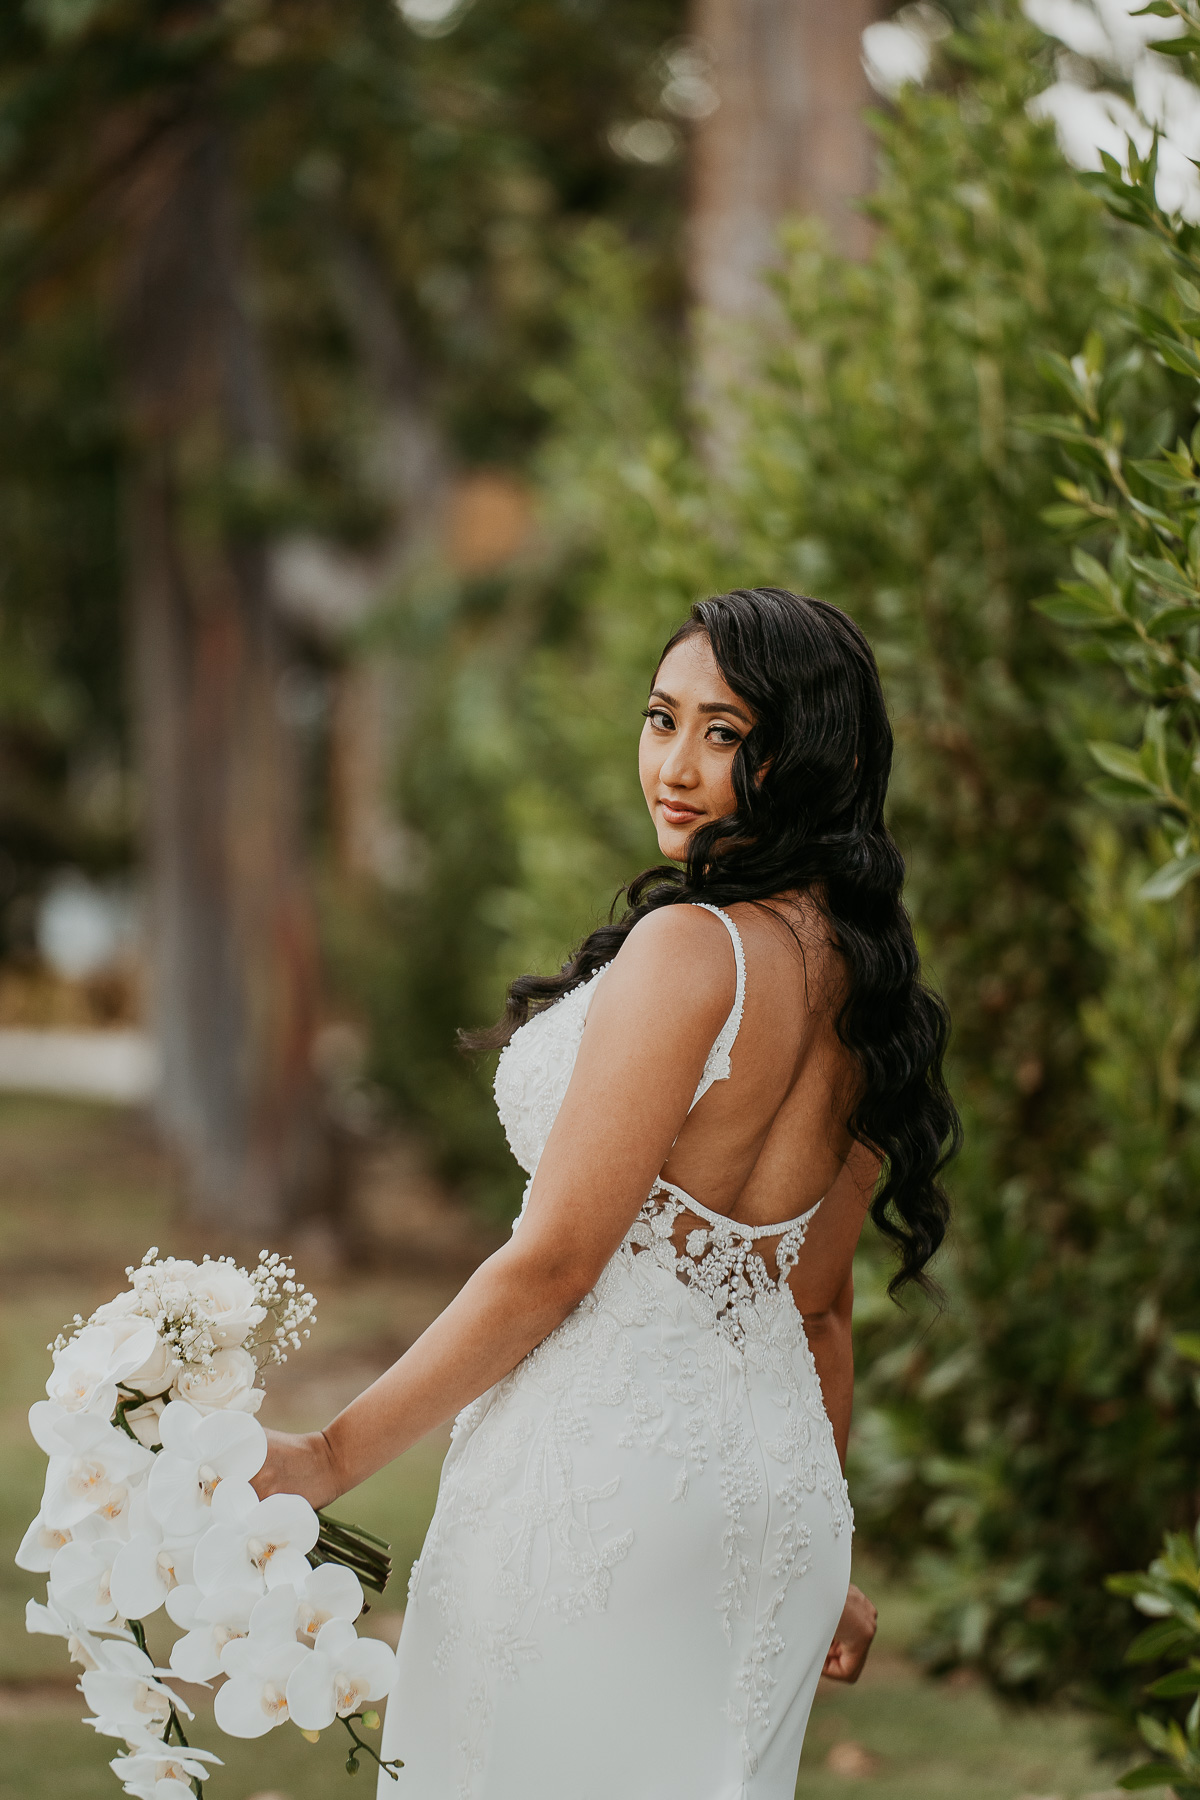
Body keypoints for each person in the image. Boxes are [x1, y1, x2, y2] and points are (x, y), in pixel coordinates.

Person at [254, 587, 960, 1799]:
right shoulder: (868, 990)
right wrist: (817, 1542)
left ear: (803, 755)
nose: (676, 766)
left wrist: (324, 1456)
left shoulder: (692, 950)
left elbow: (554, 1263)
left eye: (724, 733)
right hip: (776, 1501)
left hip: (604, 1491)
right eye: (660, 718)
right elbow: (818, 1309)